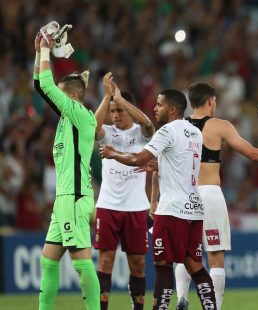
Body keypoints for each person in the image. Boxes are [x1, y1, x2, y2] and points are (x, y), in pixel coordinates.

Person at [174, 82, 258, 310]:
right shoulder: (219, 126)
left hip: (184, 195)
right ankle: (215, 307)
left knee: (186, 252)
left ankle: (182, 298)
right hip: (209, 193)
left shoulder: (177, 126)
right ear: (210, 100)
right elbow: (252, 153)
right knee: (215, 256)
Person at [100, 89, 218, 310]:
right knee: (196, 267)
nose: (155, 108)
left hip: (171, 210)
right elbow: (178, 164)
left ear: (172, 109)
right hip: (193, 209)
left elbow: (138, 158)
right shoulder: (195, 133)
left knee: (162, 265)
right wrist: (158, 165)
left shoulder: (166, 132)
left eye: (159, 104)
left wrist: (113, 153)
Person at [34, 32, 100, 310]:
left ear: (72, 97)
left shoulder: (80, 115)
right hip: (65, 199)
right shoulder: (67, 117)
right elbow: (41, 86)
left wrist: (48, 50)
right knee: (48, 260)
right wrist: (39, 51)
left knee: (82, 263)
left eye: (61, 96)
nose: (55, 100)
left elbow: (47, 85)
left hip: (74, 197)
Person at [93, 72, 155, 310]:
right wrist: (108, 96)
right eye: (113, 111)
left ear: (129, 109)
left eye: (119, 110)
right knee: (105, 260)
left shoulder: (140, 134)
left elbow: (149, 124)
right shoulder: (107, 133)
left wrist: (121, 99)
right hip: (108, 205)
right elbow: (94, 126)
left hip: (136, 207)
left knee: (137, 263)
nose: (115, 115)